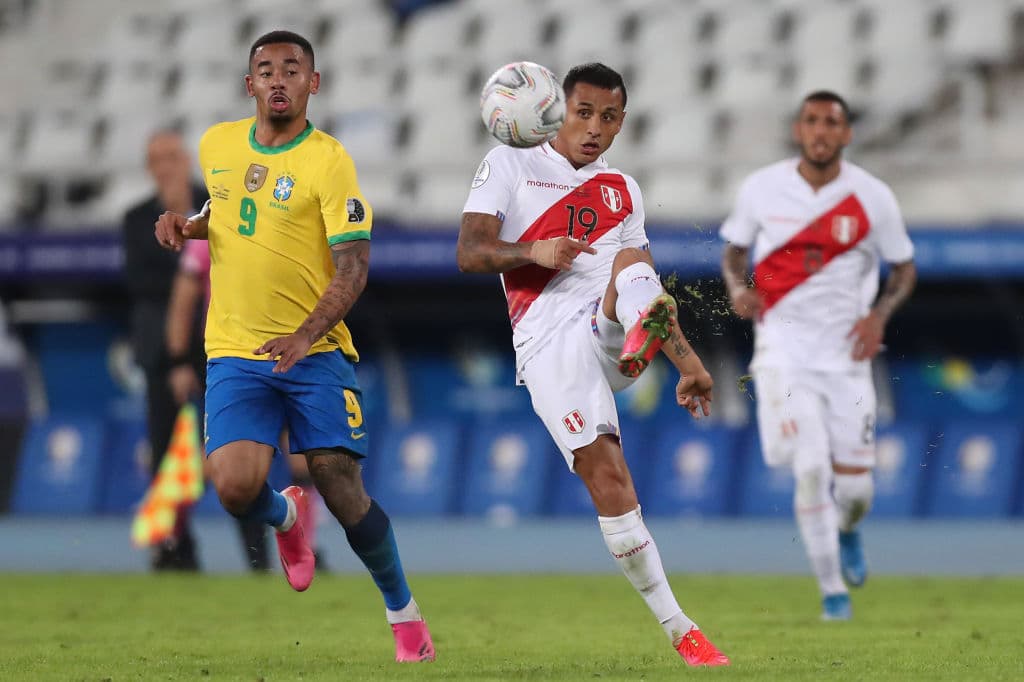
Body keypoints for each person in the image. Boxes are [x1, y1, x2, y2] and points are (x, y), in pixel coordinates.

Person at [154, 30, 434, 662]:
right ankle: (283, 518)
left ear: (315, 83)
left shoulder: (329, 162)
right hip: (235, 351)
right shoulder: (217, 146)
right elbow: (228, 211)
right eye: (265, 69)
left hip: (315, 353)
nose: (278, 78)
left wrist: (306, 335)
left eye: (292, 69)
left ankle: (403, 612)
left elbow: (354, 266)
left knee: (342, 488)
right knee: (230, 489)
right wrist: (188, 226)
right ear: (248, 83)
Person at [458, 62, 729, 667]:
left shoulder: (623, 191)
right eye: (584, 113)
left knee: (633, 268)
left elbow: (647, 286)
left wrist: (689, 363)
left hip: (607, 327)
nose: (595, 129)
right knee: (610, 482)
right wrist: (534, 249)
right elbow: (470, 253)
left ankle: (640, 343)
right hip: (547, 339)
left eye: (609, 117)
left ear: (622, 121)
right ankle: (682, 629)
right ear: (557, 111)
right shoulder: (509, 163)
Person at [719, 91, 917, 621]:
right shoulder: (761, 188)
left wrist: (877, 315)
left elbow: (904, 269)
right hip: (782, 355)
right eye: (811, 121)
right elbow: (734, 254)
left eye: (832, 122)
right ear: (798, 130)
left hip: (846, 362)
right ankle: (832, 592)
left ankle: (848, 531)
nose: (821, 130)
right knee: (809, 467)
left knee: (854, 490)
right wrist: (740, 290)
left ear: (847, 134)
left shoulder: (872, 197)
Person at [166, 239, 331, 572]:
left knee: (302, 458)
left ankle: (305, 548)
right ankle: (171, 530)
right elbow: (183, 301)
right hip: (235, 359)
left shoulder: (281, 220)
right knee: (217, 461)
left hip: (286, 351)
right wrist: (179, 359)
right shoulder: (209, 231)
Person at [122, 129, 208, 571]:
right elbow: (142, 285)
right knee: (164, 451)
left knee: (228, 447)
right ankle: (174, 545)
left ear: (187, 158)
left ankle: (258, 550)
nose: (167, 165)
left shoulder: (215, 206)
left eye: (173, 156)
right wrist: (191, 267)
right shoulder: (136, 218)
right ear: (149, 166)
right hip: (162, 350)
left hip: (217, 343)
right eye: (158, 158)